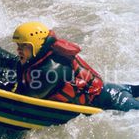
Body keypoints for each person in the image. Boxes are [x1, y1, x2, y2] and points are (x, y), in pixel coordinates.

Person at [11, 21, 139, 111]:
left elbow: (26, 98)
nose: (19, 50)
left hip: (114, 100)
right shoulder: (37, 60)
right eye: (18, 46)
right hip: (110, 88)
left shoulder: (51, 70)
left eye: (23, 46)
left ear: (36, 45)